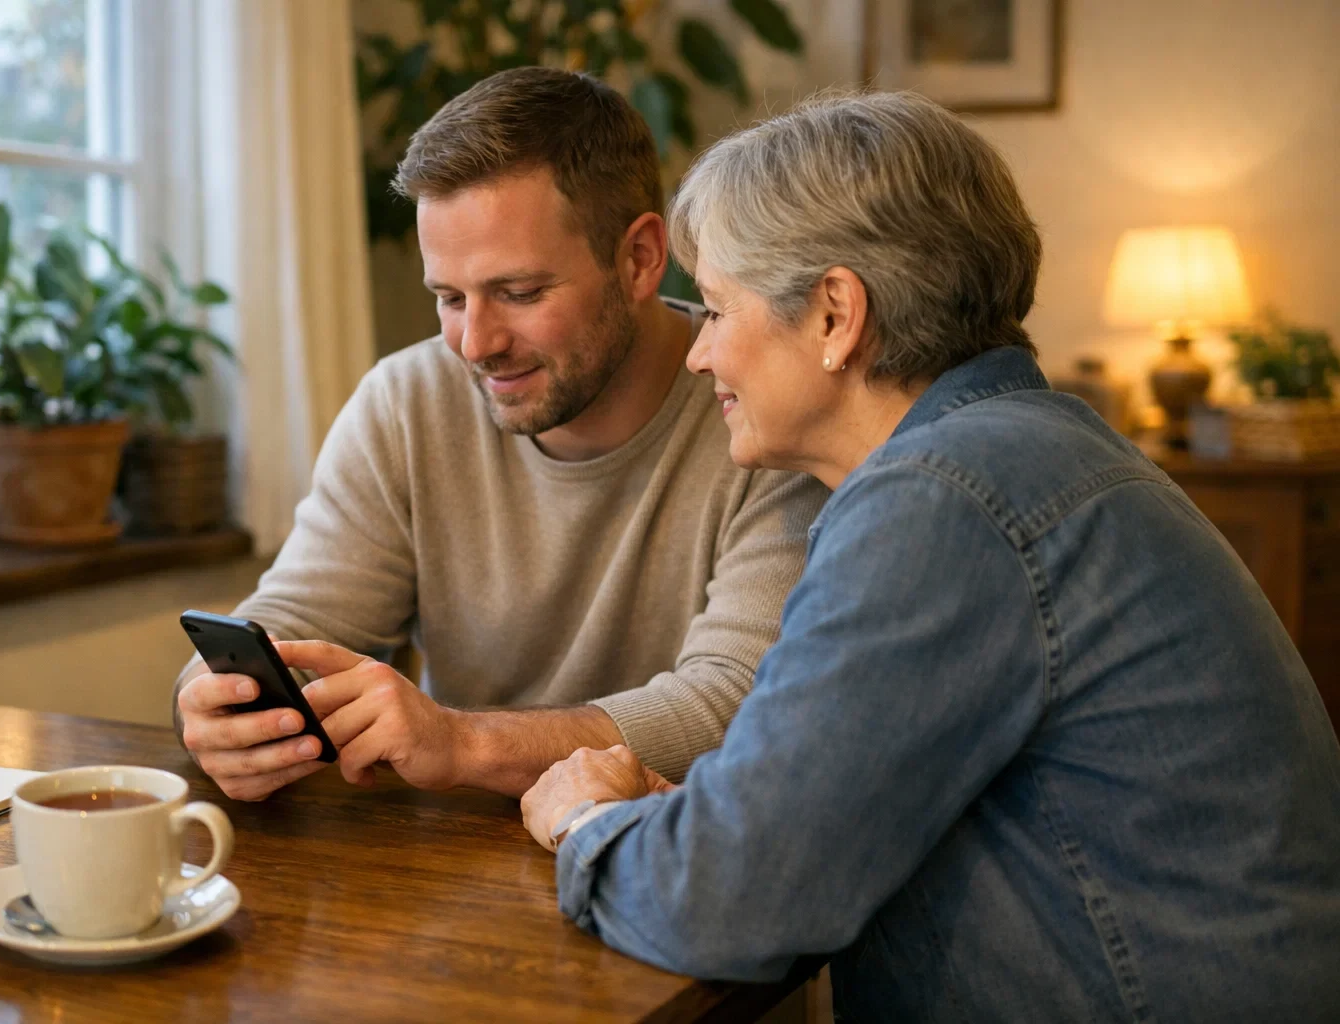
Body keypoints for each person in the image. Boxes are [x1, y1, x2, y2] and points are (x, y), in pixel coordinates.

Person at [521, 91, 1340, 1022]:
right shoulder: (1025, 450)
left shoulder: (943, 498)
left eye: (713, 310)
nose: (700, 354)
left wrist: (588, 822)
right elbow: (794, 824)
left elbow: (732, 900)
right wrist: (704, 821)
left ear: (835, 315)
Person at [172, 67, 826, 802]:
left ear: (641, 258)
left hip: (663, 863)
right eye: (449, 298)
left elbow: (737, 701)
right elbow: (294, 621)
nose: (474, 343)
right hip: (444, 866)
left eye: (519, 293)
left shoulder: (765, 411)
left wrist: (464, 743)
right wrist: (210, 703)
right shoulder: (405, 401)